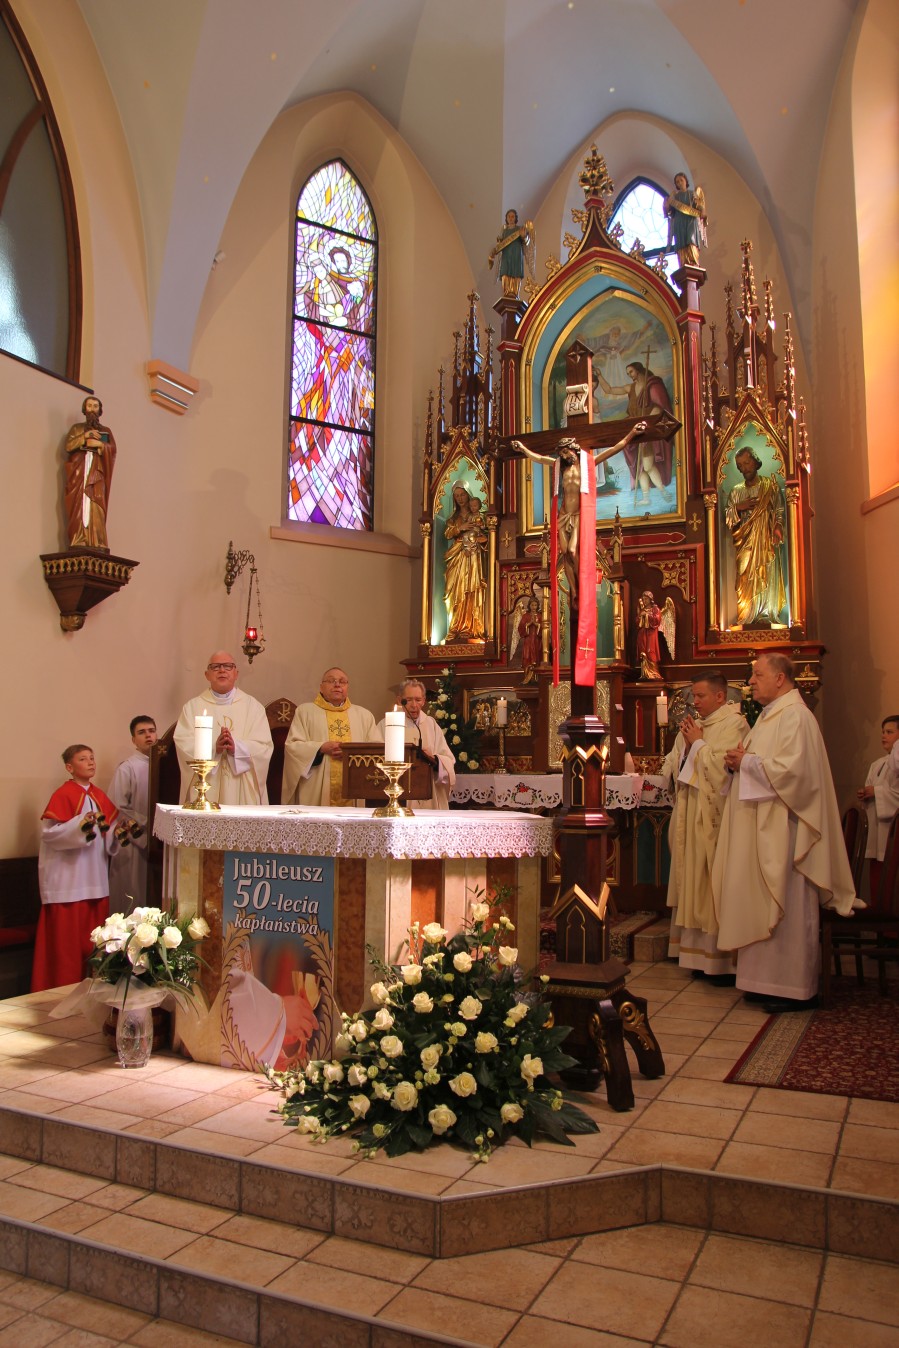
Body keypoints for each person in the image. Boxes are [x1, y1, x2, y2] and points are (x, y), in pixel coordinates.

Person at [711, 653, 856, 1011]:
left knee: (788, 905)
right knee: (760, 900)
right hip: (764, 826)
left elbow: (796, 773)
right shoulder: (769, 716)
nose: (751, 682)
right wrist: (737, 764)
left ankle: (794, 988)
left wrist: (747, 762)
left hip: (787, 831)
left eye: (757, 675)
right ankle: (762, 981)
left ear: (780, 678)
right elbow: (763, 764)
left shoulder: (796, 716)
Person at [662, 673, 748, 982]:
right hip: (689, 814)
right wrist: (688, 749)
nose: (694, 702)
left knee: (710, 882)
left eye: (700, 696)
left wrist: (697, 744)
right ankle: (695, 957)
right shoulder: (692, 727)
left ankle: (719, 962)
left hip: (713, 819)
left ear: (720, 697)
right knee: (692, 882)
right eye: (693, 696)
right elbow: (673, 764)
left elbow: (724, 770)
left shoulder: (734, 724)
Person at [32, 744, 132, 992]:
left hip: (95, 878)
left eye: (92, 758)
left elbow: (109, 833)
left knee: (94, 943)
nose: (90, 762)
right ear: (69, 767)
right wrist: (80, 826)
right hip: (69, 881)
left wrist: (118, 833)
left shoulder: (99, 796)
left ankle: (94, 991)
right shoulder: (63, 794)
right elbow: (50, 834)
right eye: (83, 759)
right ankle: (61, 990)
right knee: (67, 946)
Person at [513, 423, 646, 601]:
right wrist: (523, 449)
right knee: (565, 553)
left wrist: (631, 433)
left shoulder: (587, 464)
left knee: (573, 550)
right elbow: (540, 459)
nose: (563, 456)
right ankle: (574, 591)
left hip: (577, 515)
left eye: (565, 452)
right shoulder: (560, 467)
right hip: (563, 515)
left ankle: (581, 584)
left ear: (573, 449)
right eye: (561, 454)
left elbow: (614, 448)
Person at [174, 653, 273, 806]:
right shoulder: (192, 707)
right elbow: (183, 743)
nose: (222, 670)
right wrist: (214, 748)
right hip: (206, 784)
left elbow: (264, 747)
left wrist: (237, 748)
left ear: (236, 673)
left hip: (242, 787)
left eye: (228, 666)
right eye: (215, 667)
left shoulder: (253, 707)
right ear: (207, 674)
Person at [282, 668, 378, 806]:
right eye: (331, 681)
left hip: (354, 785)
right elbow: (293, 747)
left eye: (342, 681)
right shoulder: (305, 712)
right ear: (321, 687)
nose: (337, 685)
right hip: (316, 785)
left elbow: (376, 750)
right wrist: (320, 748)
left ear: (347, 687)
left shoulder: (364, 715)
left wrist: (351, 754)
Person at [724, 447, 787, 627]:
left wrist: (778, 526)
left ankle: (767, 613)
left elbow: (780, 510)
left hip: (765, 541)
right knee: (744, 577)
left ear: (755, 461)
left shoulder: (770, 486)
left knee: (765, 572)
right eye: (740, 465)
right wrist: (738, 507)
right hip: (744, 542)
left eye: (747, 463)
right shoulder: (736, 491)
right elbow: (728, 518)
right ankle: (746, 615)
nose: (744, 468)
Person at [595, 362, 673, 505]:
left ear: (638, 370)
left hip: (647, 432)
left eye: (631, 372)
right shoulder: (630, 388)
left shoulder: (652, 385)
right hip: (633, 433)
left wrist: (647, 420)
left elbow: (659, 407)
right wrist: (599, 376)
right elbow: (610, 390)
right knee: (639, 468)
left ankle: (663, 491)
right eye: (627, 373)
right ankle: (646, 498)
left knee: (648, 466)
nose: (629, 375)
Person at [377, 678, 455, 810]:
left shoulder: (431, 724)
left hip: (427, 791)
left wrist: (434, 759)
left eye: (418, 700)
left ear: (424, 701)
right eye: (408, 700)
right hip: (398, 789)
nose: (414, 705)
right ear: (399, 700)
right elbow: (375, 755)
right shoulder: (386, 724)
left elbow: (448, 759)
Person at [107, 716, 156, 914]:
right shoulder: (127, 767)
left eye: (151, 731)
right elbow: (116, 806)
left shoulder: (164, 765)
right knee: (132, 892)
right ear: (133, 740)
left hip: (157, 842)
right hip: (134, 840)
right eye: (141, 732)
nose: (148, 736)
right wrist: (148, 822)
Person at [64, 395, 117, 549]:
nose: (92, 410)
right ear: (84, 409)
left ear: (100, 410)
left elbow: (112, 450)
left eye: (95, 406)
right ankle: (79, 537)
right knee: (79, 505)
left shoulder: (106, 431)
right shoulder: (77, 428)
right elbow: (69, 446)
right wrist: (85, 437)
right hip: (80, 472)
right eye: (89, 406)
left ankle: (97, 540)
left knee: (97, 503)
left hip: (97, 474)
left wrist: (99, 445)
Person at [858, 715, 899, 900]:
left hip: (891, 831)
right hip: (876, 830)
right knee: (876, 877)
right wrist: (865, 794)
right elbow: (872, 789)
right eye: (883, 732)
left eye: (889, 732)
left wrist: (877, 792)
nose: (884, 736)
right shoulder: (877, 764)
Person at [444, 486, 488, 641]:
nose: (460, 498)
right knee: (456, 590)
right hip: (458, 555)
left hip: (474, 555)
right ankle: (455, 626)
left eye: (462, 495)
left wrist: (479, 536)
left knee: (472, 588)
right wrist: (459, 528)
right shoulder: (453, 518)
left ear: (468, 495)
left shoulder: (477, 514)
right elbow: (447, 533)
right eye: (457, 496)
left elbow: (485, 533)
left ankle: (471, 627)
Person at [664, 173, 708, 267]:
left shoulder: (692, 194)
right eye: (677, 182)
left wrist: (703, 211)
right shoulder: (675, 197)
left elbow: (699, 206)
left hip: (691, 220)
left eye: (681, 180)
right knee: (681, 244)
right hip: (679, 222)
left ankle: (694, 262)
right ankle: (683, 264)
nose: (680, 183)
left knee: (692, 240)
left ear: (686, 181)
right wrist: (666, 206)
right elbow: (669, 212)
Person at [488, 209, 532, 298]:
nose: (511, 218)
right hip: (506, 255)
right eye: (509, 216)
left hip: (516, 255)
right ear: (506, 218)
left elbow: (527, 243)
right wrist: (495, 250)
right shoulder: (504, 231)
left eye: (512, 216)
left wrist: (524, 237)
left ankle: (515, 293)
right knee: (505, 272)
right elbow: (500, 245)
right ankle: (506, 292)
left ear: (515, 218)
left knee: (516, 273)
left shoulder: (520, 229)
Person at [518, 597, 542, 678]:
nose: (534, 607)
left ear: (537, 606)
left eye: (535, 605)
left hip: (537, 640)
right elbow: (520, 627)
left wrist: (537, 625)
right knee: (527, 656)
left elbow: (544, 628)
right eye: (532, 605)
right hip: (528, 640)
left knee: (537, 655)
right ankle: (527, 676)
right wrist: (528, 624)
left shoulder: (540, 616)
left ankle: (536, 677)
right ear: (529, 606)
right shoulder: (526, 616)